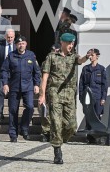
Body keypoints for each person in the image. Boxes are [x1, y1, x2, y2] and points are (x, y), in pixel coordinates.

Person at [38, 33, 91, 164]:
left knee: (72, 126)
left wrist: (87, 56)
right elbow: (44, 77)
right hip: (54, 93)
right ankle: (57, 151)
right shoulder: (51, 57)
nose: (71, 46)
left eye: (72, 43)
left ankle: (59, 139)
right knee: (56, 122)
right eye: (69, 43)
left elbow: (81, 60)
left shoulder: (74, 57)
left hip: (69, 95)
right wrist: (42, 95)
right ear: (62, 43)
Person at [1, 36, 41, 142]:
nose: (21, 45)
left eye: (22, 43)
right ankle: (13, 134)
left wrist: (37, 84)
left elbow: (36, 71)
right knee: (13, 110)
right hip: (14, 87)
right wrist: (5, 84)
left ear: (26, 44)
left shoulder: (31, 55)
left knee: (30, 107)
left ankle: (24, 128)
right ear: (16, 45)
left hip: (27, 86)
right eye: (19, 44)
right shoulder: (11, 56)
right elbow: (4, 70)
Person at [78, 48, 107, 130]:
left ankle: (97, 135)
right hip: (87, 96)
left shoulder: (101, 69)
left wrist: (103, 98)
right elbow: (81, 84)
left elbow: (104, 85)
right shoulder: (85, 69)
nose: (90, 57)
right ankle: (89, 137)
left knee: (97, 116)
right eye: (89, 55)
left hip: (97, 96)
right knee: (88, 115)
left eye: (92, 55)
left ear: (97, 56)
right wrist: (81, 97)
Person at [0, 28, 16, 123]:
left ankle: (11, 114)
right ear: (5, 37)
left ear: (14, 37)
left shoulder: (16, 46)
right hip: (2, 73)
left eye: (11, 37)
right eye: (8, 37)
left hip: (13, 75)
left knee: (12, 94)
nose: (10, 39)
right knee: (1, 92)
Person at [40, 43, 60, 142]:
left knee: (56, 112)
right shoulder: (46, 62)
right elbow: (42, 76)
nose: (54, 52)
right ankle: (46, 132)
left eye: (56, 51)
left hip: (58, 91)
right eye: (53, 50)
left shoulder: (62, 62)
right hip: (47, 89)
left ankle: (56, 132)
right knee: (45, 112)